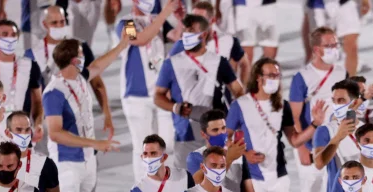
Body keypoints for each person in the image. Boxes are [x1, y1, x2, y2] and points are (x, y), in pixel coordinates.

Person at [43, 36, 127, 192]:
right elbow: (55, 133)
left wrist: (122, 44)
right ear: (73, 60)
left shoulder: (80, 78)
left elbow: (99, 65)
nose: (84, 57)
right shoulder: (53, 92)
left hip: (89, 160)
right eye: (81, 54)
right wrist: (95, 143)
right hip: (66, 163)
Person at [227, 57, 319, 192]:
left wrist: (315, 124)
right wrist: (245, 154)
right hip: (252, 175)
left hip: (278, 174)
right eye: (270, 75)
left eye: (277, 75)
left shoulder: (282, 106)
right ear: (258, 77)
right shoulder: (241, 105)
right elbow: (225, 137)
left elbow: (294, 140)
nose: (275, 79)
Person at [154, 14, 245, 168]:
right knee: (187, 178)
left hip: (216, 133)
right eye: (185, 31)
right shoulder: (171, 64)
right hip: (186, 134)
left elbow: (238, 91)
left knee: (221, 177)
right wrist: (176, 107)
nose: (186, 35)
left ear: (204, 34)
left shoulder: (219, 62)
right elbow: (158, 96)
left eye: (191, 31)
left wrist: (237, 122)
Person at [290, 26, 347, 192]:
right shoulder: (302, 77)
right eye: (329, 45)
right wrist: (302, 149)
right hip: (311, 145)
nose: (334, 49)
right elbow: (294, 116)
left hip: (335, 145)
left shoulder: (342, 72)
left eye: (335, 44)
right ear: (316, 49)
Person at [36, 6, 116, 154]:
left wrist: (107, 114)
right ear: (44, 24)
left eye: (62, 21)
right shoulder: (34, 53)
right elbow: (33, 95)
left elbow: (96, 82)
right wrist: (36, 123)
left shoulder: (80, 47)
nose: (60, 26)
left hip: (78, 118)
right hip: (50, 119)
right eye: (54, 23)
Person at [187, 109, 273, 192]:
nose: (221, 133)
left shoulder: (238, 156)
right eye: (215, 130)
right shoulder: (196, 157)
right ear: (204, 134)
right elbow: (200, 185)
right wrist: (228, 158)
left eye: (223, 128)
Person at [117, 0, 179, 180]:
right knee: (142, 147)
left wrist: (180, 18)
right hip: (136, 95)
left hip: (161, 92)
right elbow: (139, 39)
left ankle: (165, 184)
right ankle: (143, 188)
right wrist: (165, 13)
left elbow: (177, 36)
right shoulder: (127, 22)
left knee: (168, 144)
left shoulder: (158, 20)